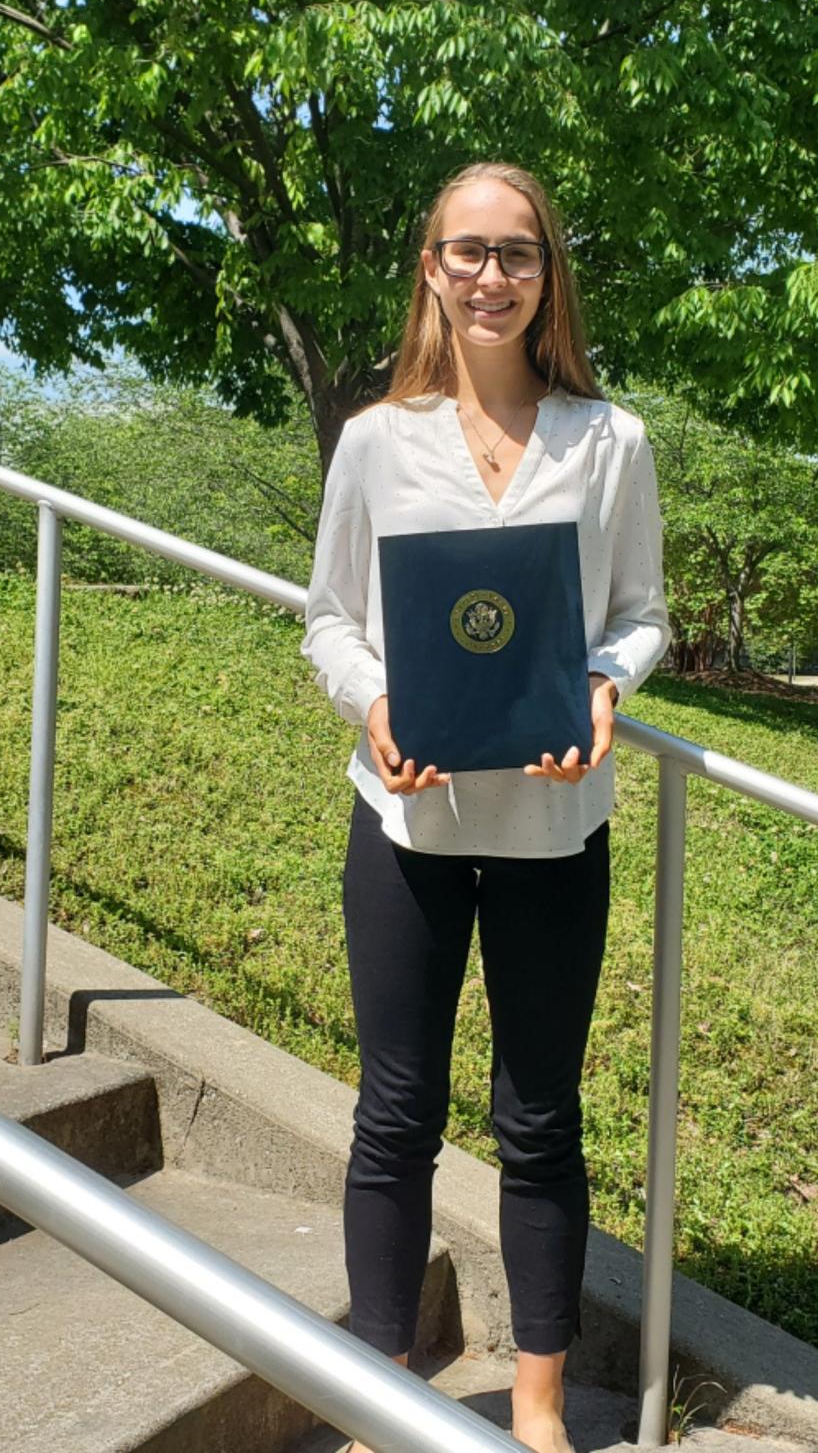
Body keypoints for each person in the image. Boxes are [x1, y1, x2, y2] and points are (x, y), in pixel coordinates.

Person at [300, 160, 671, 1453]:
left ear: (547, 275)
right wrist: (374, 706)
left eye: (517, 254)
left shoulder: (607, 443)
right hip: (404, 823)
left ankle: (536, 1404)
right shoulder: (372, 442)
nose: (491, 276)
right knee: (393, 1112)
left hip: (553, 827)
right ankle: (376, 1391)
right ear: (429, 267)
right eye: (468, 251)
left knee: (539, 1120)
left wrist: (607, 688)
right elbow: (331, 622)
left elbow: (636, 616)